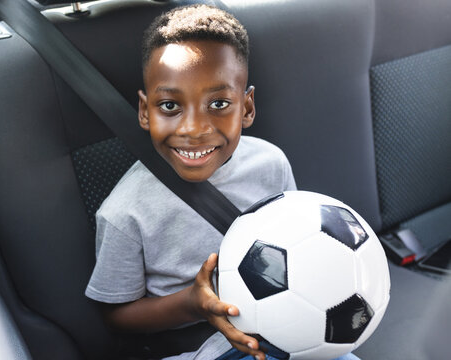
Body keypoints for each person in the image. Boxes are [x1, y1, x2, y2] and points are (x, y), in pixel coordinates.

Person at [85, 5, 358, 360]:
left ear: (246, 108)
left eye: (218, 103)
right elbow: (115, 315)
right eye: (169, 105)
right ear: (144, 111)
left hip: (286, 328)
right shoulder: (125, 212)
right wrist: (192, 304)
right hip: (199, 349)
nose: (193, 128)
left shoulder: (270, 164)